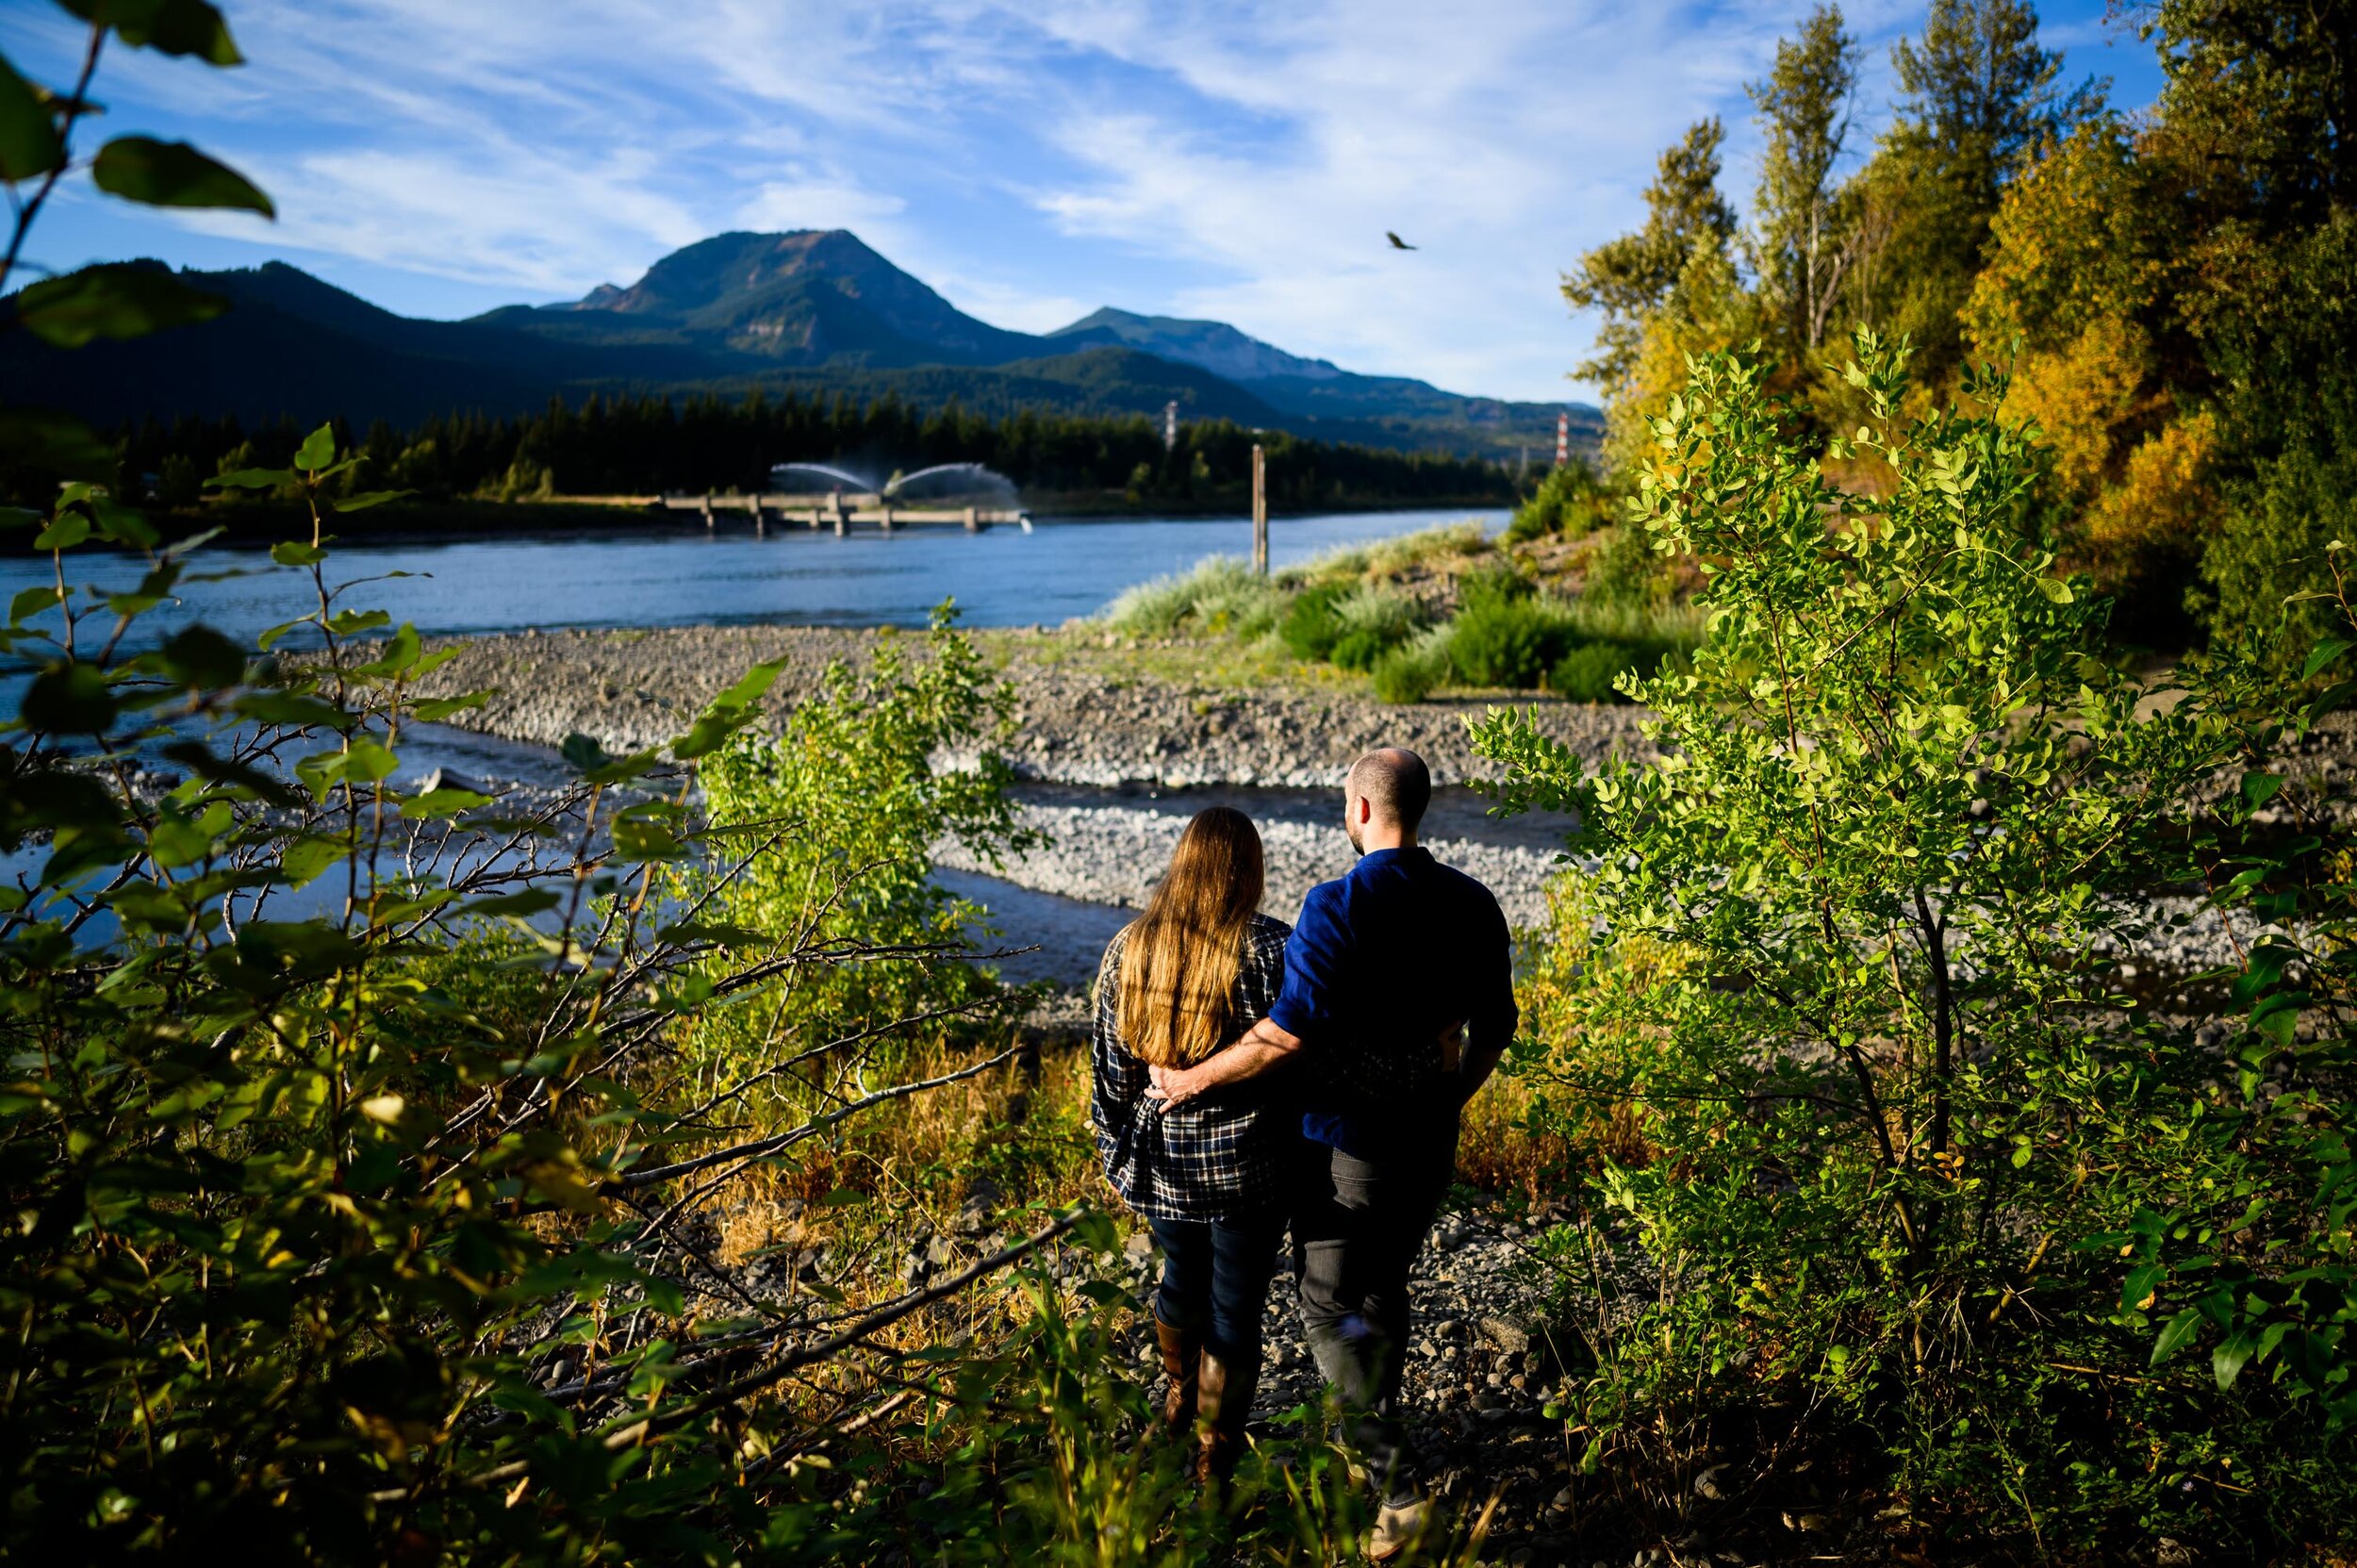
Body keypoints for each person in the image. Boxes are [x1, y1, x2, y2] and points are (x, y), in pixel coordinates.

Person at [1148, 748, 1515, 1560]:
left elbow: (1284, 1035)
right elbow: (1496, 1027)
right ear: (1418, 809)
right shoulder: (1475, 903)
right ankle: (1367, 1447)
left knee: (1324, 1303)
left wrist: (1186, 1080)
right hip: (1430, 1142)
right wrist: (1453, 1095)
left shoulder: (1335, 905)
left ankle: (1395, 1481)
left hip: (1348, 1145)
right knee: (1382, 1286)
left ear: (1358, 809)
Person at [1088, 805, 1297, 1482]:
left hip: (1169, 1166)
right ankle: (1216, 1452)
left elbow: (1111, 1073)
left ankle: (1178, 1393)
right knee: (1236, 1307)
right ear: (1250, 870)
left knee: (1181, 1276)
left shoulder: (1132, 946)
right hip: (1251, 1168)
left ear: (1182, 862)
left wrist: (1117, 1149)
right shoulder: (1273, 948)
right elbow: (1301, 1063)